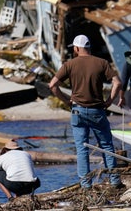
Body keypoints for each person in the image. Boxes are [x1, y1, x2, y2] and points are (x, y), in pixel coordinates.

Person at [48, 34, 124, 189]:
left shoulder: (69, 64)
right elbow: (117, 83)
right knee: (107, 145)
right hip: (97, 110)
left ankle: (86, 185)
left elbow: (52, 85)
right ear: (89, 47)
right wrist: (109, 101)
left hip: (78, 111)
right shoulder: (101, 63)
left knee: (82, 148)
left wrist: (66, 100)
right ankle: (115, 180)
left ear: (76, 48)